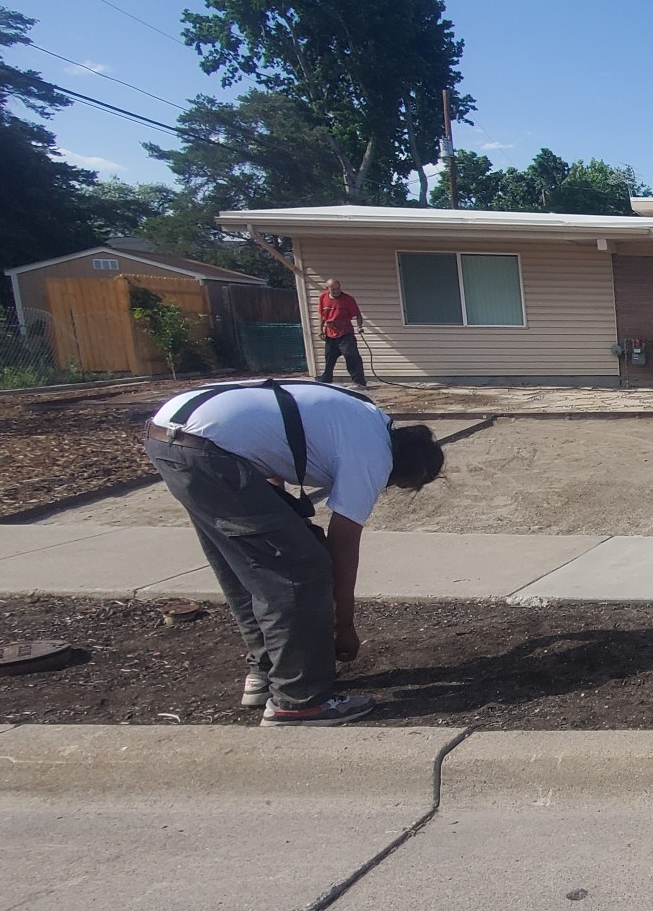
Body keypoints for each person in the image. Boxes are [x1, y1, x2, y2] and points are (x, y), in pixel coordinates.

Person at [145, 380, 444, 725]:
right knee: (301, 570)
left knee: (250, 566)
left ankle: (267, 672)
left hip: (172, 433)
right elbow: (343, 545)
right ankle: (299, 701)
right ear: (407, 473)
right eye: (400, 486)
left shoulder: (363, 418)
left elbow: (271, 453)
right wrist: (343, 626)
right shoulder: (372, 455)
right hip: (209, 447)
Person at [316, 279, 366, 386]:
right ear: (327, 289)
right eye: (333, 289)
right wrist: (320, 330)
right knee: (329, 357)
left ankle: (359, 382)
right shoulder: (323, 298)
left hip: (345, 333)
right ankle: (326, 379)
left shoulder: (348, 299)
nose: (337, 291)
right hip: (330, 333)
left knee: (351, 356)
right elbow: (322, 315)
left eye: (338, 288)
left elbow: (358, 315)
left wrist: (359, 326)